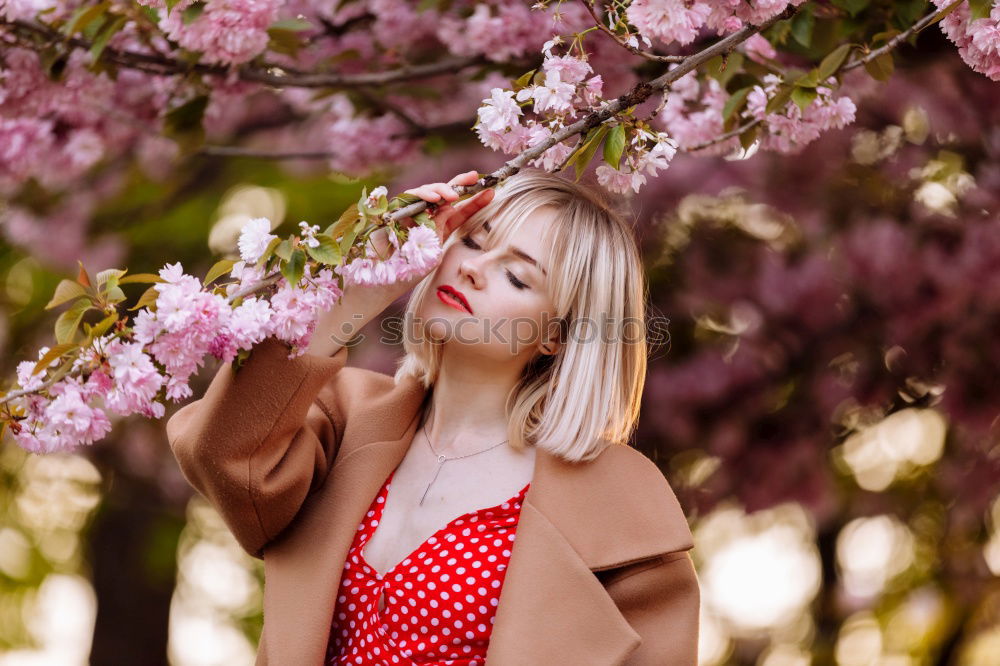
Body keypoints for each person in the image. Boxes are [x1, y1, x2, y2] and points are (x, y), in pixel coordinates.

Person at [165, 167, 700, 666]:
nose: (471, 267)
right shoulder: (343, 420)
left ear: (557, 335)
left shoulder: (620, 513)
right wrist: (357, 291)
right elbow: (222, 456)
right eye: (471, 240)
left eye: (516, 276)